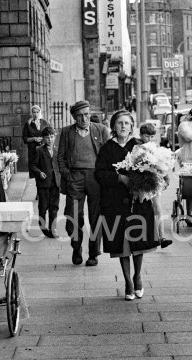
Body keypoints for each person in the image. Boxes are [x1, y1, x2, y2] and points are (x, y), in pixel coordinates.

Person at [95, 110, 160, 300]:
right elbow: (99, 173)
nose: (123, 126)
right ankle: (128, 282)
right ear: (113, 126)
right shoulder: (107, 148)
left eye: (127, 123)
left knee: (138, 242)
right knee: (122, 245)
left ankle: (137, 276)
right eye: (119, 123)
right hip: (115, 202)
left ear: (132, 126)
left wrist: (144, 181)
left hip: (138, 202)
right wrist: (119, 178)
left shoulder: (139, 146)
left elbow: (152, 170)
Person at [57, 100, 110, 266]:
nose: (84, 118)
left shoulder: (100, 130)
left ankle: (93, 254)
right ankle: (76, 247)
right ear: (74, 117)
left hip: (96, 177)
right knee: (73, 216)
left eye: (86, 114)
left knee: (96, 217)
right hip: (75, 177)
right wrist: (67, 175)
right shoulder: (66, 132)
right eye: (80, 116)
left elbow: (109, 154)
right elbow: (60, 157)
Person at [138, 123, 172, 248]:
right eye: (147, 136)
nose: (150, 139)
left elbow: (162, 164)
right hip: (142, 183)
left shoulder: (156, 147)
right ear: (141, 135)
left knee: (157, 207)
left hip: (154, 181)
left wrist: (166, 177)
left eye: (152, 137)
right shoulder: (138, 148)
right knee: (143, 208)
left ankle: (161, 236)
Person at [30, 127, 60, 239]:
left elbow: (61, 165)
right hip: (43, 184)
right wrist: (39, 172)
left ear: (54, 137)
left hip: (55, 183)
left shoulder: (58, 150)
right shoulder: (39, 150)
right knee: (43, 207)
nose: (50, 139)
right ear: (43, 138)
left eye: (51, 137)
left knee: (54, 207)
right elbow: (32, 165)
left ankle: (53, 229)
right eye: (47, 137)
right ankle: (42, 227)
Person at [22, 105, 51, 178]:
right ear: (31, 113)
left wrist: (43, 139)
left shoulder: (45, 122)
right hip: (32, 149)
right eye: (34, 112)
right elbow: (25, 138)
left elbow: (50, 134)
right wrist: (34, 138)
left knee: (43, 166)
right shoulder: (28, 124)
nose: (36, 114)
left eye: (37, 112)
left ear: (40, 112)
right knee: (33, 168)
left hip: (43, 148)